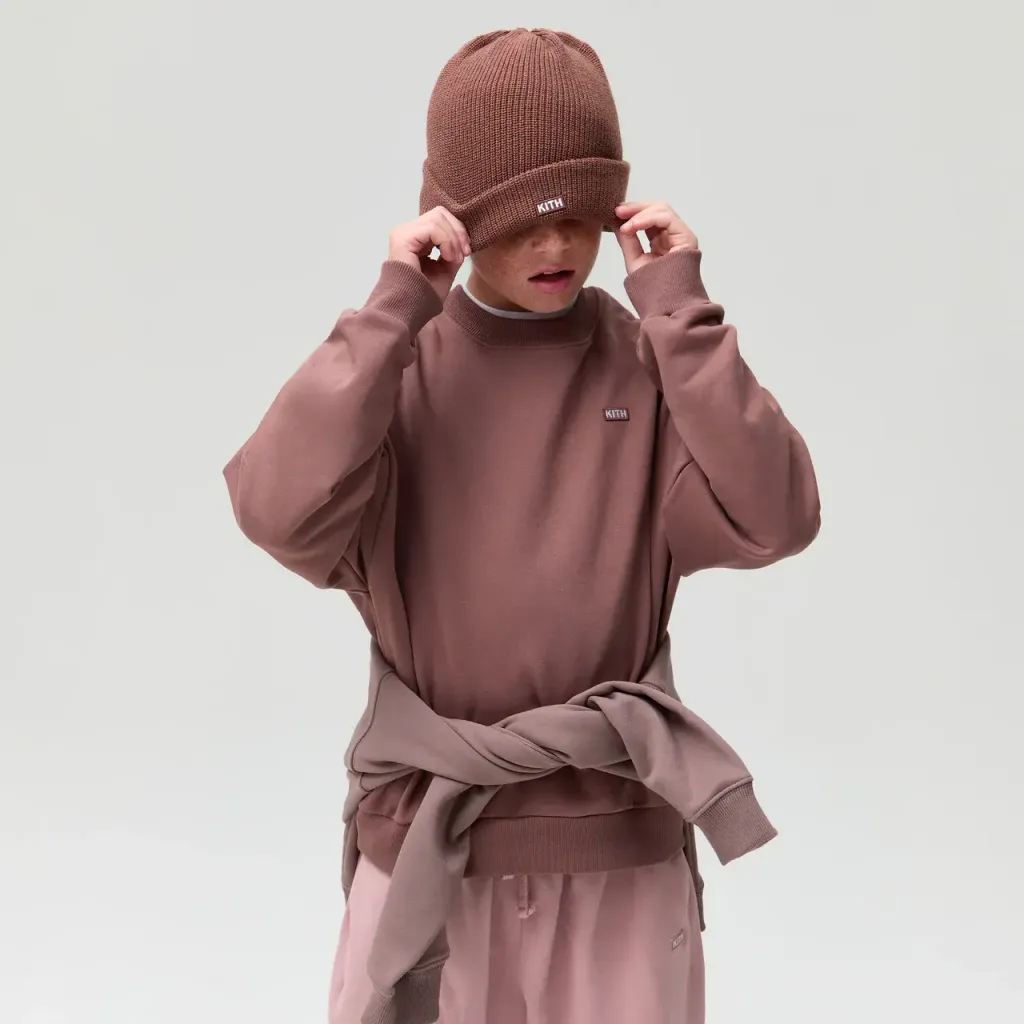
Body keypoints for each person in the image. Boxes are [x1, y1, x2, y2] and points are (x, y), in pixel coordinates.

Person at [223, 26, 820, 1024]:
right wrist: (392, 308)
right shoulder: (396, 371)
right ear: (454, 219)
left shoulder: (650, 364)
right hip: (428, 853)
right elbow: (272, 508)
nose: (554, 244)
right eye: (517, 219)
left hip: (620, 857)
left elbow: (778, 518)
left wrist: (680, 310)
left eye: (579, 213)